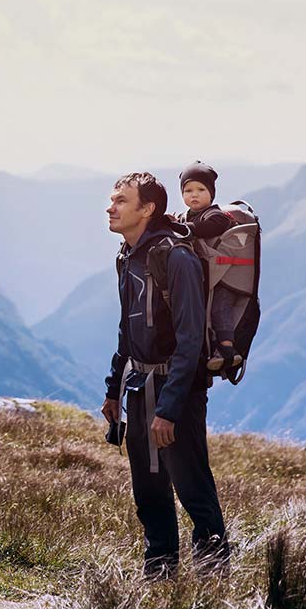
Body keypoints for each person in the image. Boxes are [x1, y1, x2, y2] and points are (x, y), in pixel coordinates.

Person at [101, 172, 229, 580]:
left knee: (192, 489)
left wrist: (169, 409)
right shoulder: (127, 255)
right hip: (138, 389)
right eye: (112, 199)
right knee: (149, 492)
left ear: (147, 209)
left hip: (176, 394)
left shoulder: (176, 258)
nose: (111, 207)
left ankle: (213, 582)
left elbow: (190, 341)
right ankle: (159, 578)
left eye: (122, 200)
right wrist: (112, 389)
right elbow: (127, 328)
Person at [177, 161, 244, 372]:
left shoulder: (217, 216)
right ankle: (211, 350)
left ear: (211, 194)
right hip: (206, 277)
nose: (193, 195)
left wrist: (182, 228)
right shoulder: (185, 217)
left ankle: (227, 349)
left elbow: (207, 228)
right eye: (188, 190)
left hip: (225, 278)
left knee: (220, 309)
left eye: (200, 189)